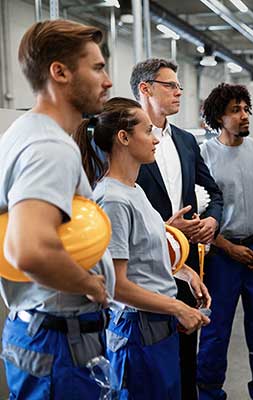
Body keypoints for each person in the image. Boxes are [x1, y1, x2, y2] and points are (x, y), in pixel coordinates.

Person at [0, 20, 115, 399]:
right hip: (57, 342)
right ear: (60, 72)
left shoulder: (22, 132)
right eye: (97, 68)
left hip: (40, 332)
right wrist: (89, 284)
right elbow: (28, 248)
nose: (108, 80)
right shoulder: (50, 147)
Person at [73, 97, 211, 399]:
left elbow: (143, 250)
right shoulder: (112, 200)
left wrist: (185, 272)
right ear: (124, 138)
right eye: (148, 131)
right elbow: (115, 285)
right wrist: (178, 307)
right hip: (137, 329)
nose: (156, 139)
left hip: (157, 325)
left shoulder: (134, 190)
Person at [130, 58, 223, 400]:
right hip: (141, 272)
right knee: (147, 363)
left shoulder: (185, 141)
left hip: (184, 268)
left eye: (179, 86)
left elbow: (213, 192)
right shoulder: (127, 142)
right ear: (146, 89)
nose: (179, 92)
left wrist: (212, 220)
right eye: (170, 85)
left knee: (186, 358)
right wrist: (167, 229)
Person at [196, 83, 253, 400]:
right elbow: (200, 211)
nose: (244, 115)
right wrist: (228, 247)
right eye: (236, 110)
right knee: (216, 330)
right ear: (219, 117)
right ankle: (209, 392)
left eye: (246, 108)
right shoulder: (203, 156)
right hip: (222, 256)